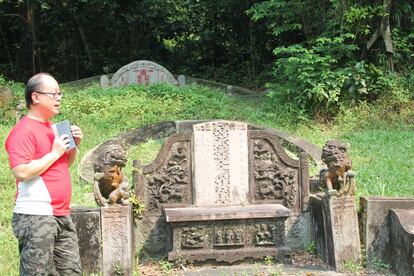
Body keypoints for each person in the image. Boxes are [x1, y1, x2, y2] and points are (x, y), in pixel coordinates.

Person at [5, 73, 83, 275]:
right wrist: (54, 152)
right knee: (37, 272)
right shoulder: (23, 131)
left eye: (60, 93)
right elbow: (21, 171)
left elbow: (63, 165)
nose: (59, 98)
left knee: (71, 271)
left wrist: (73, 148)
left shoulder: (53, 128)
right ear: (36, 97)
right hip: (35, 216)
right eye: (54, 93)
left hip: (61, 213)